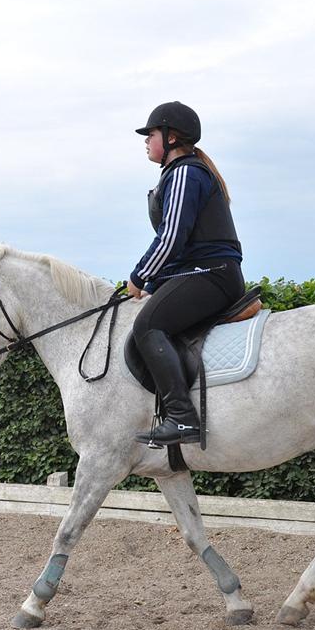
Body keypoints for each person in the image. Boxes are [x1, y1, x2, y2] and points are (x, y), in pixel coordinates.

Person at [127, 101, 245, 446]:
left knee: (148, 326)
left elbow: (172, 237)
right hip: (199, 272)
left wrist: (139, 276)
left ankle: (181, 417)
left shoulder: (184, 173)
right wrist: (154, 284)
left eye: (151, 134)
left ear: (171, 137)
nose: (146, 140)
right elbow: (182, 246)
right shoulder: (179, 173)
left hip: (210, 274)